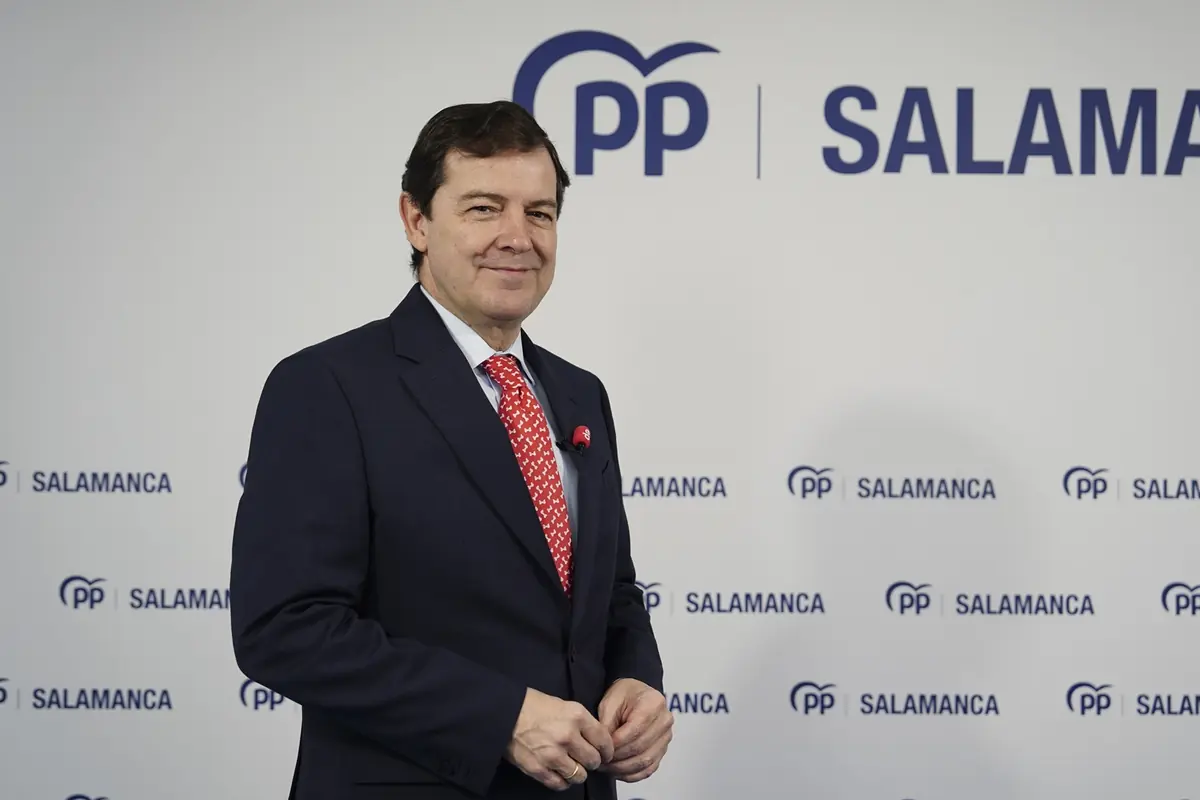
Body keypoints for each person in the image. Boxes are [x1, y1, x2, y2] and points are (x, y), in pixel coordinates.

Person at [229, 100, 670, 799]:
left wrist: (638, 676)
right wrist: (500, 717)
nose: (516, 236)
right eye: (484, 208)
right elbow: (284, 629)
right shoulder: (327, 387)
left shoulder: (581, 394)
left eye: (540, 213)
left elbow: (609, 591)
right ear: (416, 220)